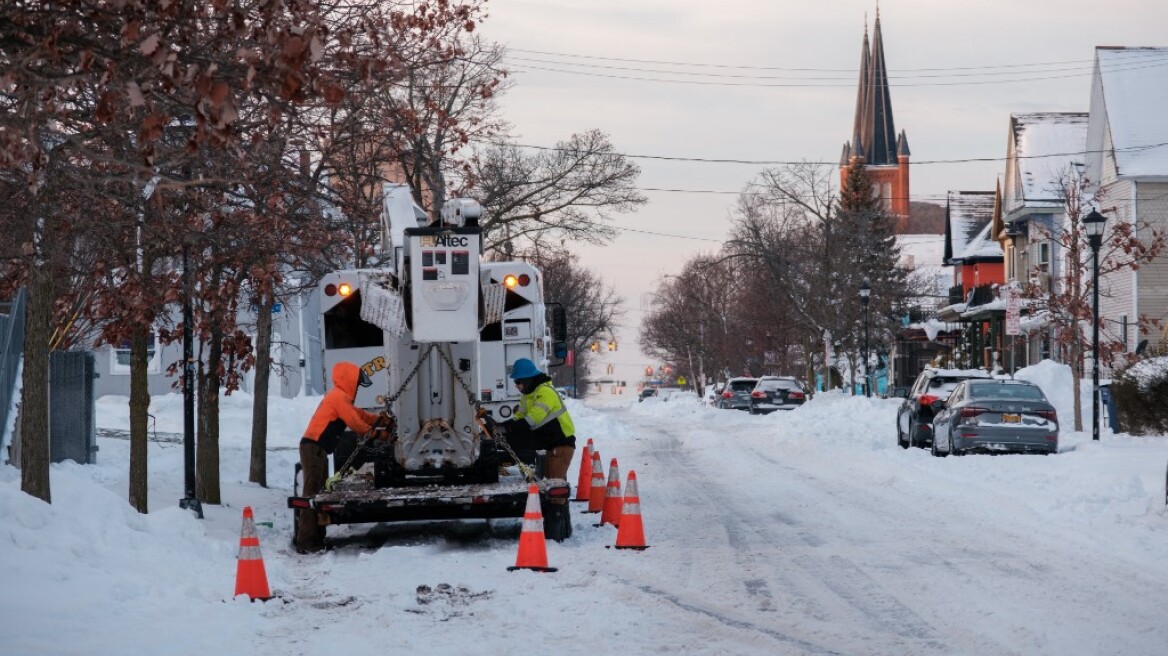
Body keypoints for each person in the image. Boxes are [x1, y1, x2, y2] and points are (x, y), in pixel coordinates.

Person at [296, 361, 389, 553]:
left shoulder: (341, 398)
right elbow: (355, 423)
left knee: (319, 495)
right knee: (312, 495)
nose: (357, 388)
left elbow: (360, 415)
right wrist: (377, 433)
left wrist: (380, 419)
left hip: (317, 449)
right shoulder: (338, 397)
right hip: (312, 448)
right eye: (356, 384)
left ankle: (316, 537)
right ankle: (306, 541)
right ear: (350, 381)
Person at [499, 358, 577, 488]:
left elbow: (533, 419)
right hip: (550, 445)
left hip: (562, 445)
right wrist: (503, 426)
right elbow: (520, 416)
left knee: (555, 485)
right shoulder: (527, 396)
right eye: (515, 382)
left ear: (527, 380)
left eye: (518, 381)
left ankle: (558, 507)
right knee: (549, 483)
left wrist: (509, 429)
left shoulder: (545, 392)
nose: (516, 385)